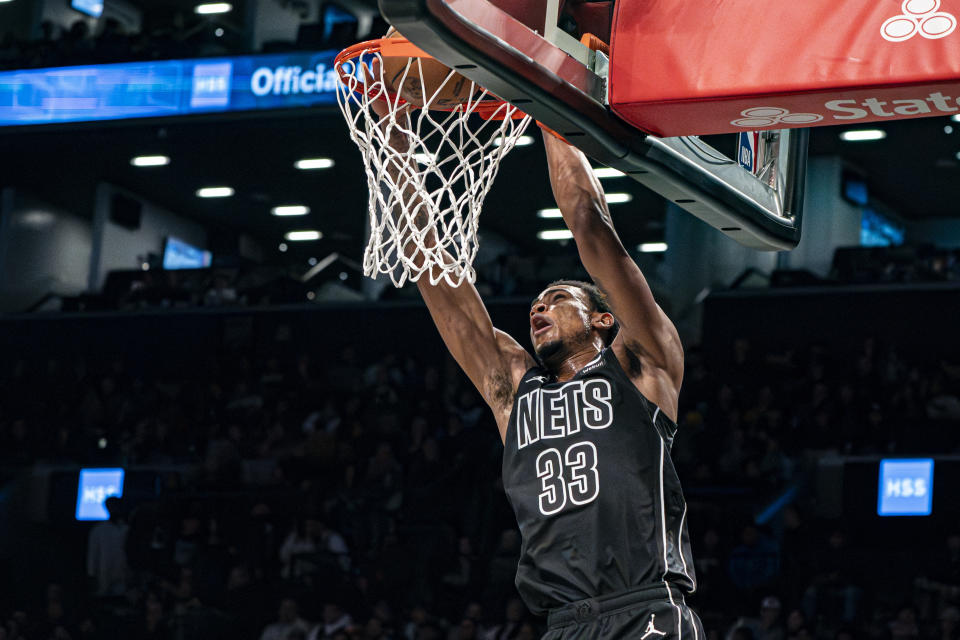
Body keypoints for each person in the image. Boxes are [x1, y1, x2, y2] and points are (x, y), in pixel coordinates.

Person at [372, 90, 703, 637]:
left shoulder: (641, 363)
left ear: (602, 320)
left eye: (556, 298)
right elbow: (435, 270)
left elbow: (588, 220)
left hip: (646, 609)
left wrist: (552, 99)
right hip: (562, 623)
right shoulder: (514, 391)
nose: (537, 307)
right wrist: (395, 142)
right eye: (535, 303)